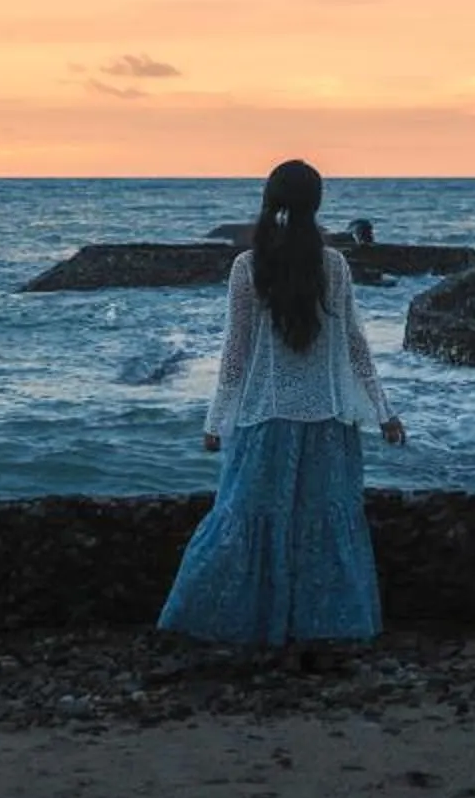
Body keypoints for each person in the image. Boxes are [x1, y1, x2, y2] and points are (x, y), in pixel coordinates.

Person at [157, 158, 407, 659]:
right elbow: (356, 345)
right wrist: (383, 412)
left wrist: (216, 422)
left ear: (269, 201)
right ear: (317, 204)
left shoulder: (249, 266)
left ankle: (224, 623)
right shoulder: (333, 265)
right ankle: (322, 630)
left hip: (264, 421)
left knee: (243, 519)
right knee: (322, 529)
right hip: (330, 424)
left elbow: (236, 352)